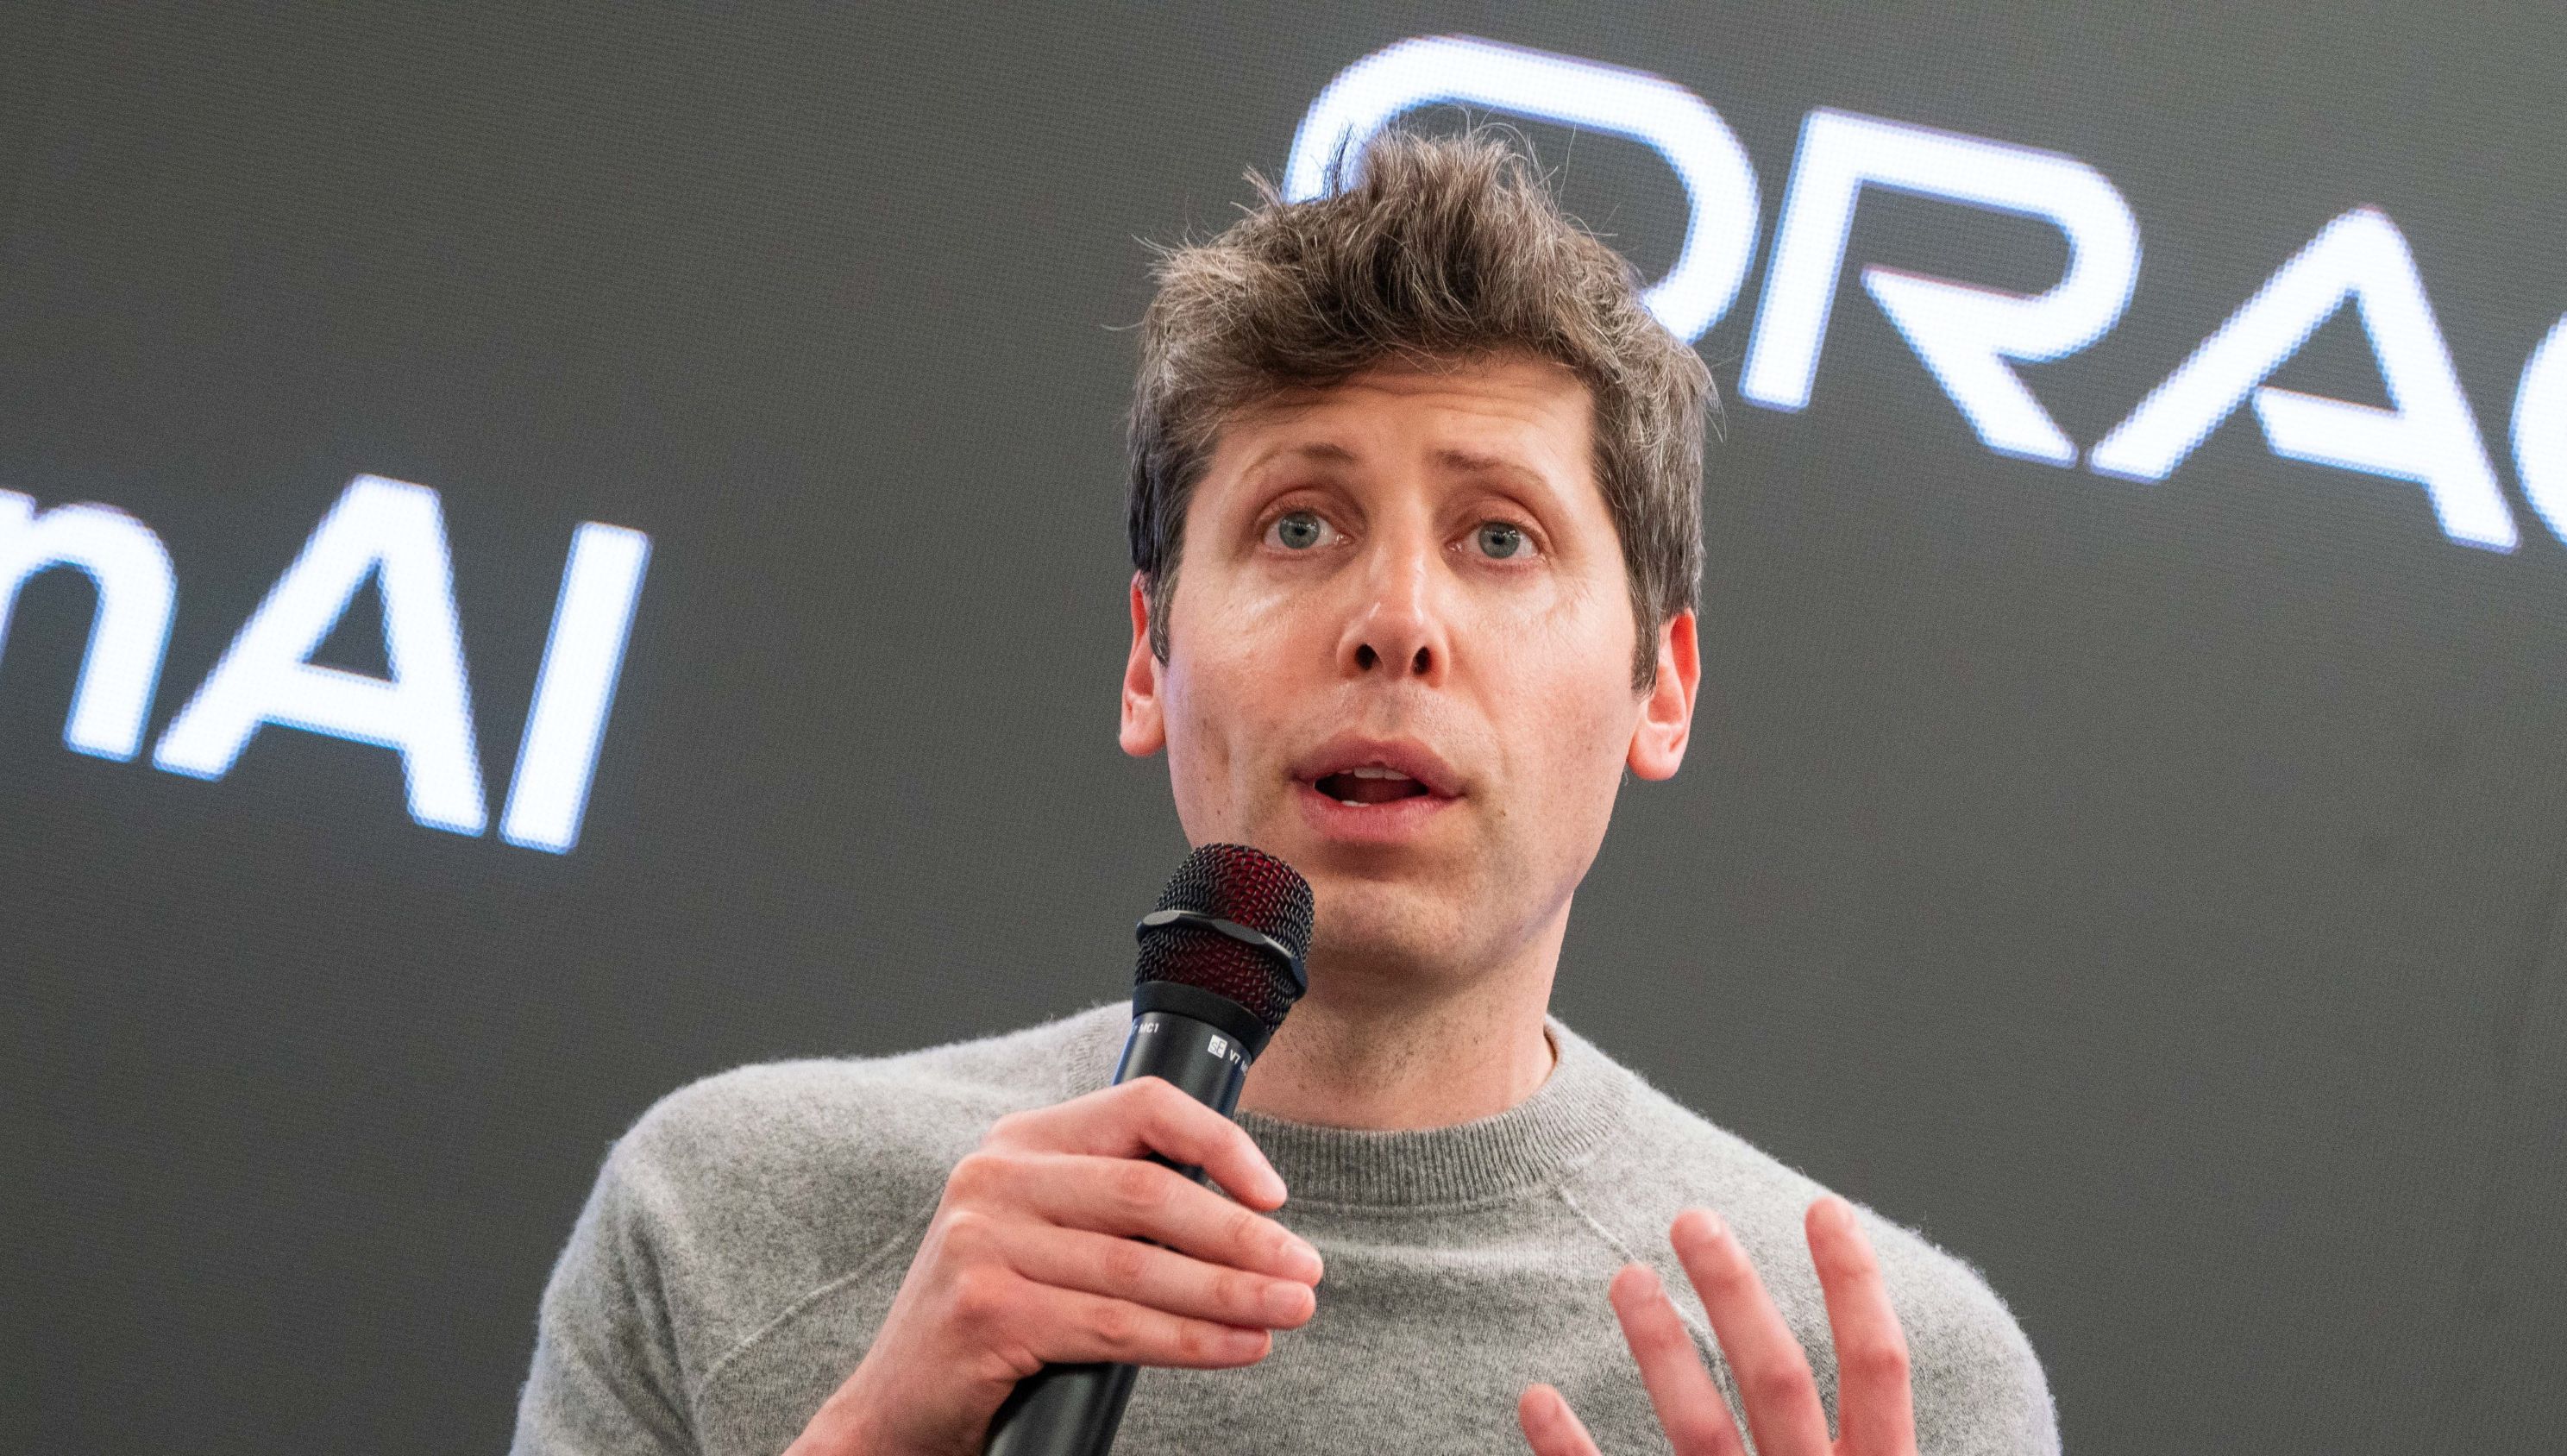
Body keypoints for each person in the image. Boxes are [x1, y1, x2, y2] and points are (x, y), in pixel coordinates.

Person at [510, 130, 2057, 1456]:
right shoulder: (726, 1218)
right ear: (1149, 657)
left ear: (1663, 686)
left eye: (1501, 537)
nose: (1398, 619)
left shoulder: (1886, 1385)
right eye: (1302, 526)